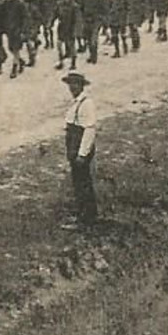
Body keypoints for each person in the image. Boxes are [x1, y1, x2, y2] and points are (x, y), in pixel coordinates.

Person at [61, 72, 99, 229]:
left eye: (75, 84)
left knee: (82, 182)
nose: (72, 87)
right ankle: (83, 212)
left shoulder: (86, 103)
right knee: (78, 181)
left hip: (80, 147)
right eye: (70, 84)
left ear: (81, 85)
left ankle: (86, 217)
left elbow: (89, 129)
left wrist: (82, 154)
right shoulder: (77, 102)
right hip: (74, 145)